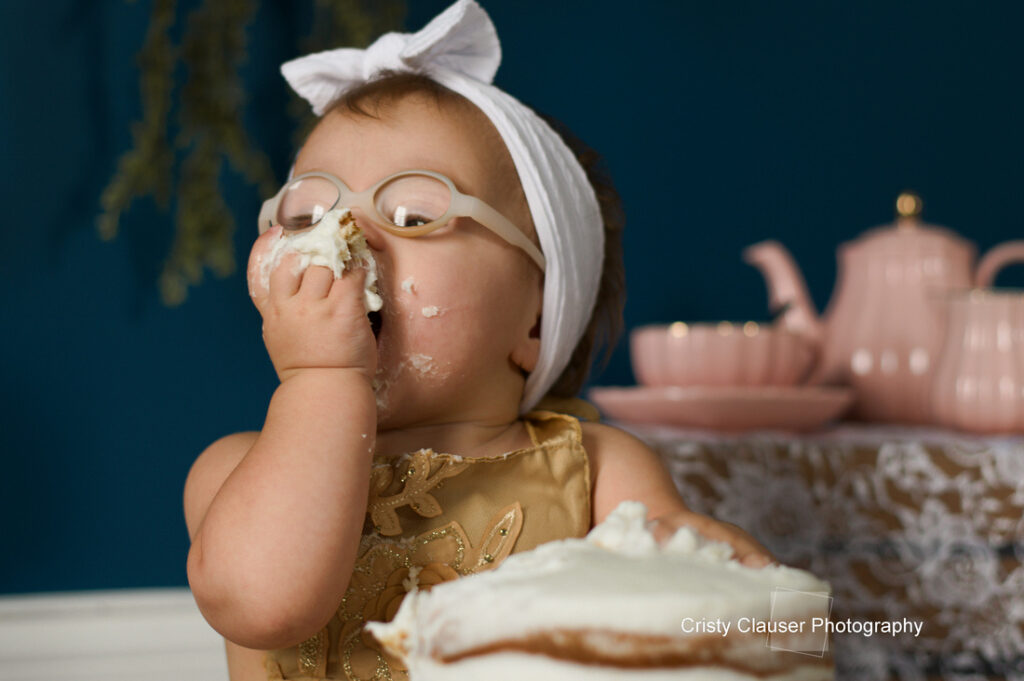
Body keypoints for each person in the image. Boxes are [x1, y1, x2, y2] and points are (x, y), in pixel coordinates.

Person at [182, 2, 771, 679]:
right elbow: (264, 604)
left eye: (411, 214)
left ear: (536, 323)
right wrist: (321, 375)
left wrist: (719, 566)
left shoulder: (601, 470)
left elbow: (700, 618)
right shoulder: (233, 471)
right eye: (311, 212)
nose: (349, 237)